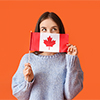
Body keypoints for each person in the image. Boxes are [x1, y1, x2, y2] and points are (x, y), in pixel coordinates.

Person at [12, 12, 83, 100]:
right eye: (44, 29)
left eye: (54, 29)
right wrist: (28, 81)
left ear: (60, 32)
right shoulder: (27, 59)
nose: (49, 34)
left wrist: (71, 61)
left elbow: (70, 94)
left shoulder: (69, 60)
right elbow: (19, 95)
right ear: (39, 32)